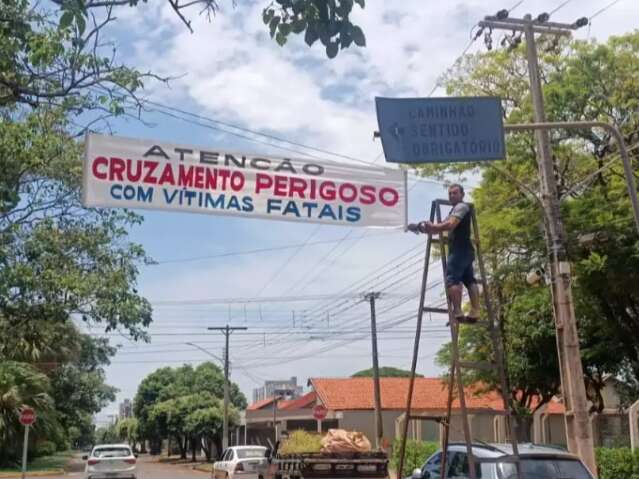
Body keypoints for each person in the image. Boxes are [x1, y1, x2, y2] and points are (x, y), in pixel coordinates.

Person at [408, 184, 480, 323]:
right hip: (465, 252)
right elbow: (440, 227)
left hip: (459, 251)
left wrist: (433, 227)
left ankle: (457, 312)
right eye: (450, 193)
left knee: (452, 279)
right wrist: (419, 227)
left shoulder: (461, 207)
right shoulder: (454, 210)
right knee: (469, 279)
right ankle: (475, 312)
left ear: (462, 194)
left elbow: (450, 224)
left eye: (455, 193)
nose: (452, 196)